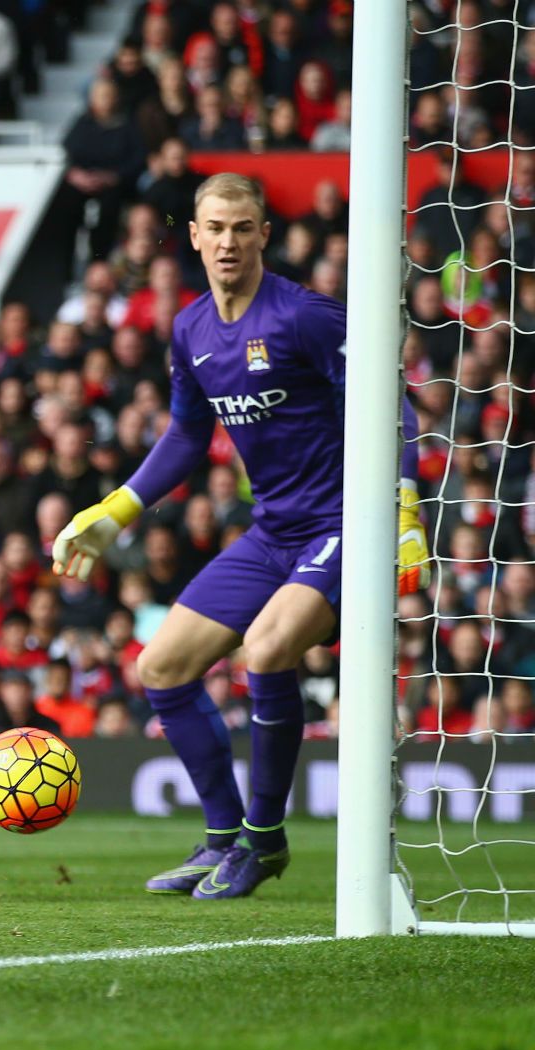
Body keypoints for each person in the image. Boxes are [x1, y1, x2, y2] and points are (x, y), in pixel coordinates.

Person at [51, 173, 425, 900]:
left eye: (242, 228)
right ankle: (222, 838)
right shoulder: (191, 329)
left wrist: (405, 510)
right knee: (160, 666)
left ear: (263, 236)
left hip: (345, 523)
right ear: (194, 236)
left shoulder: (305, 316)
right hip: (274, 530)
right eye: (215, 228)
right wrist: (115, 510)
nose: (228, 242)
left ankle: (264, 839)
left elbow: (391, 402)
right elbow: (187, 437)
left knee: (267, 647)